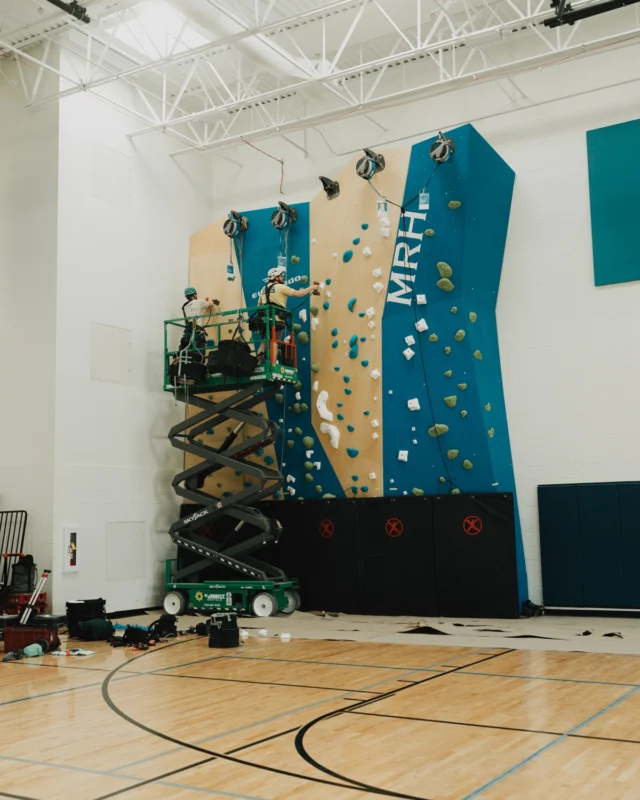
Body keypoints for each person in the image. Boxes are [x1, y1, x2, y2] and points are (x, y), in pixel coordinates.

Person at [256, 267, 319, 359]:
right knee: (275, 342)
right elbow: (299, 294)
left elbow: (259, 305)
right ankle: (273, 365)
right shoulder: (281, 287)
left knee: (263, 343)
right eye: (281, 276)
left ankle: (258, 363)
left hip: (265, 321)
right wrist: (312, 287)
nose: (282, 277)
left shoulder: (263, 289)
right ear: (276, 277)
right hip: (277, 321)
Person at [179, 287, 219, 352]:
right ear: (194, 295)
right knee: (199, 353)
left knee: (188, 353)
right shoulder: (199, 302)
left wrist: (203, 301)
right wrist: (209, 299)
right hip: (197, 332)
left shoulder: (185, 306)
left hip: (188, 333)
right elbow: (211, 305)